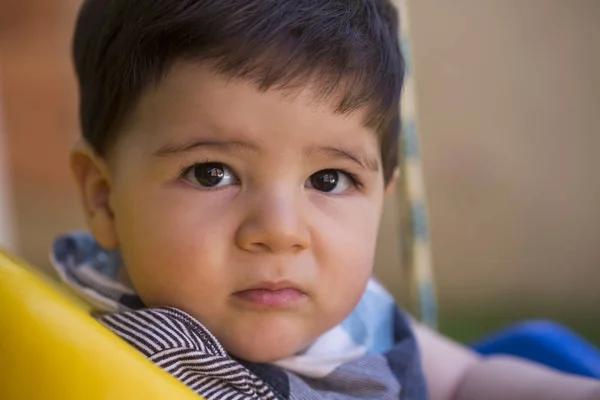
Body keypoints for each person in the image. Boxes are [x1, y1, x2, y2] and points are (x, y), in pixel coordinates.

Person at [52, 0, 600, 398]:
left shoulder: (351, 318)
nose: (280, 230)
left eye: (329, 181)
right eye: (212, 172)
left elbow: (463, 380)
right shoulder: (119, 358)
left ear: (380, 197)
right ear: (104, 198)